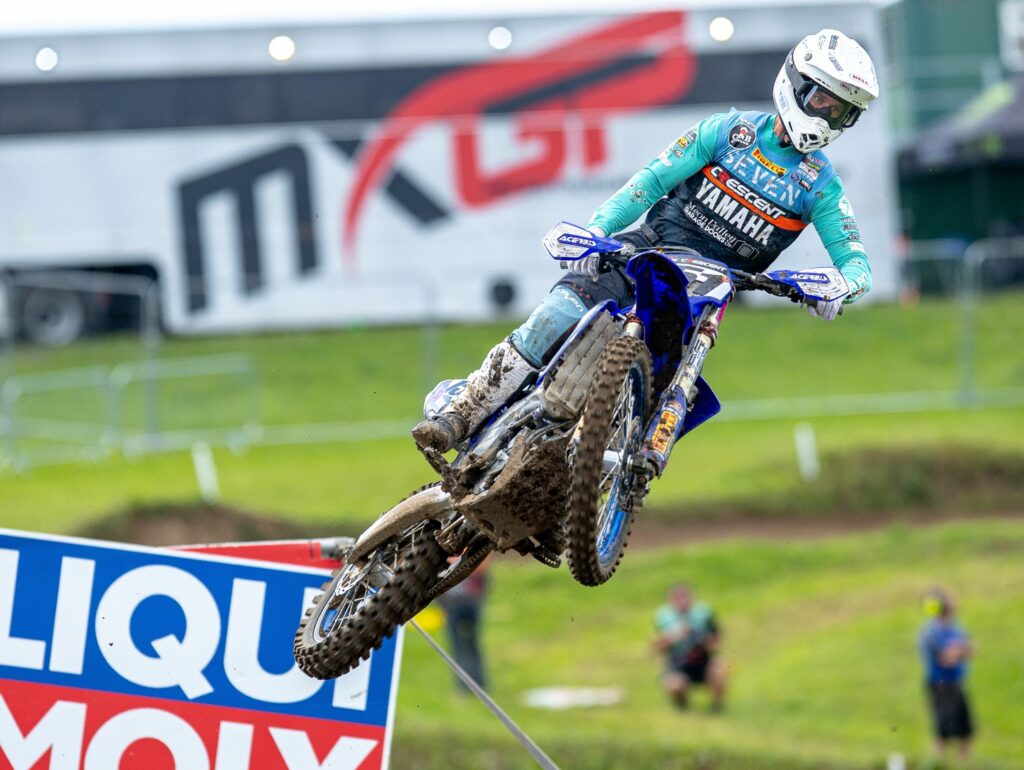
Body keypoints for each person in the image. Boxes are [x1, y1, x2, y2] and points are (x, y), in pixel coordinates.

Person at [412, 29, 878, 454]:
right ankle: (461, 412)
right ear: (795, 85)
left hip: (706, 292)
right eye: (823, 100)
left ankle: (621, 471)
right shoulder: (726, 132)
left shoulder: (821, 186)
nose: (828, 116)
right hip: (644, 251)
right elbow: (650, 182)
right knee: (559, 313)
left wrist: (839, 286)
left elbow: (858, 266)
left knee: (675, 385)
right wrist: (598, 230)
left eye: (843, 112)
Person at [919, 588, 975, 758]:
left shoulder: (955, 628)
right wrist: (959, 651)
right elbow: (946, 658)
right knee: (943, 728)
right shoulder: (930, 632)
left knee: (964, 726)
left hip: (956, 681)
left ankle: (963, 762)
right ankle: (936, 761)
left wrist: (958, 652)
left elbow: (970, 651)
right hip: (940, 684)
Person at [653, 583, 726, 711]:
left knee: (721, 668)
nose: (682, 602)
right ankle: (683, 706)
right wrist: (672, 637)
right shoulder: (664, 618)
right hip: (679, 663)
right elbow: (656, 647)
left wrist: (703, 639)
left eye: (685, 597)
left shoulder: (703, 614)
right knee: (674, 684)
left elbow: (717, 641)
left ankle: (716, 707)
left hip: (703, 661)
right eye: (677, 598)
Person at [437, 556, 490, 692]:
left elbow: (483, 569)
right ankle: (464, 686)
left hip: (469, 604)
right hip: (452, 607)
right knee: (458, 646)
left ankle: (478, 684)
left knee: (470, 645)